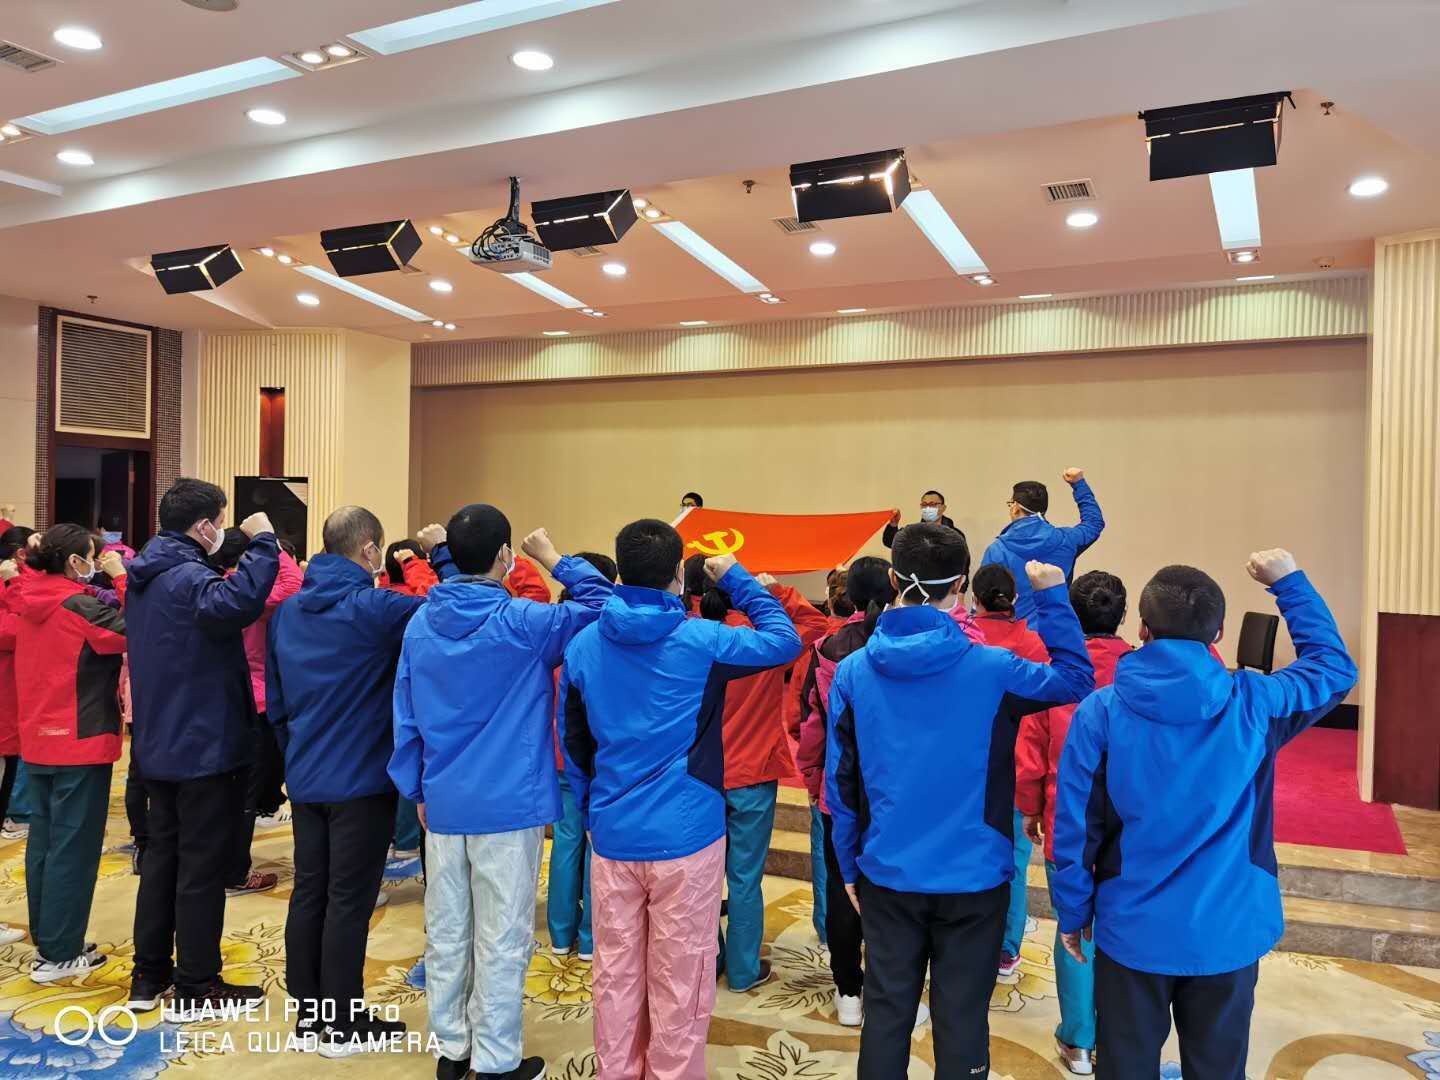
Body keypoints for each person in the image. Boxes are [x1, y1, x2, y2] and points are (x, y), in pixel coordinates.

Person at [1051, 551, 1357, 1079]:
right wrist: (1289, 584)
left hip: (1133, 930)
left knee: (1124, 1067)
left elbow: (1076, 831)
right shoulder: (1256, 703)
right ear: (1218, 633)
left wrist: (1074, 914)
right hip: (1228, 927)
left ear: (1142, 628)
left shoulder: (1099, 712)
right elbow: (1334, 669)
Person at [826, 524, 1092, 1080]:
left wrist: (848, 865)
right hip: (974, 875)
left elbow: (841, 784)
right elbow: (1075, 679)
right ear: (961, 585)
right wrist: (1050, 594)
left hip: (888, 871)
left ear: (893, 579)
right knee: (963, 1016)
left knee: (887, 1012)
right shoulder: (994, 668)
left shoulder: (852, 673)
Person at [560, 521, 801, 1080]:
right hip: (686, 836)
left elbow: (573, 741)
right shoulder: (703, 639)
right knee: (680, 980)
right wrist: (736, 578)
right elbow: (785, 639)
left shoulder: (584, 644)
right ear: (677, 575)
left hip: (614, 833)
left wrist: (593, 810)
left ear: (620, 572)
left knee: (615, 975)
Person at [390, 506, 613, 1080]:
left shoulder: (421, 622)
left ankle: (452, 1051)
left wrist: (416, 787)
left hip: (443, 800)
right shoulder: (525, 621)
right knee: (502, 935)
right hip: (509, 805)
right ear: (506, 557)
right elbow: (605, 605)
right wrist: (555, 559)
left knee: (447, 931)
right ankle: (494, 1061)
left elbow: (405, 715)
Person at [266, 509, 443, 1055]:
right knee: (348, 900)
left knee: (310, 894)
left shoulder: (287, 613)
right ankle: (342, 1024)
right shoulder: (375, 607)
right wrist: (429, 557)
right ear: (369, 550)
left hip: (306, 773)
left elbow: (276, 704)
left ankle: (310, 1016)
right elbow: (444, 606)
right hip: (361, 779)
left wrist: (296, 757)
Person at [124, 478, 279, 1018]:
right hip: (201, 744)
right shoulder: (189, 577)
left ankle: (148, 976)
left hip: (159, 740)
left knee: (161, 861)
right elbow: (241, 602)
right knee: (200, 868)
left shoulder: (145, 574)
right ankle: (197, 984)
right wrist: (264, 542)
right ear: (205, 526)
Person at [683, 554, 829, 991]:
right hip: (753, 774)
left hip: (698, 777)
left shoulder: (684, 636)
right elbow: (817, 625)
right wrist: (771, 591)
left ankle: (707, 961)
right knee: (745, 878)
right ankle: (744, 970)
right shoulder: (762, 638)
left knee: (699, 877)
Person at [1012, 570, 1126, 1076]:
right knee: (1123, 931)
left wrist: (1031, 808)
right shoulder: (1140, 672)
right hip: (1131, 831)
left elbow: (1031, 754)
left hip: (1068, 826)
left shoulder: (1055, 673)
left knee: (1074, 927)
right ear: (1126, 617)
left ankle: (1079, 1040)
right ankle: (1119, 1034)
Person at [7, 526, 126, 980]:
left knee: (45, 842)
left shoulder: (27, 598)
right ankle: (59, 953)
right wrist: (121, 578)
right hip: (79, 737)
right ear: (75, 561)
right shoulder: (78, 606)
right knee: (73, 848)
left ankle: (52, 938)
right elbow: (137, 631)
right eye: (92, 556)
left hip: (38, 737)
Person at [795, 557, 907, 1028]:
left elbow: (811, 725)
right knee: (890, 892)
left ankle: (847, 992)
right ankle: (886, 988)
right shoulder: (901, 645)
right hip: (892, 792)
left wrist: (812, 778)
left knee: (841, 891)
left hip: (837, 789)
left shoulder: (826, 648)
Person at [968, 563, 1049, 980]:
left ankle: (966, 938)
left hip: (967, 768)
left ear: (974, 599)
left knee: (967, 856)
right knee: (1013, 865)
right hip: (1017, 768)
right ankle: (1006, 949)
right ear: (1015, 599)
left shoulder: (966, 640)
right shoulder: (1034, 643)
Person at [213, 527, 303, 897]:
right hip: (259, 700)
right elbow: (294, 585)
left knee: (228, 789)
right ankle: (235, 871)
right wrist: (272, 543)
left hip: (225, 697)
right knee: (246, 792)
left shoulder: (215, 587)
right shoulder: (251, 595)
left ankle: (222, 864)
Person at [547, 550, 618, 963]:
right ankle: (592, 938)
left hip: (557, 755)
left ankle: (560, 934)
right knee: (596, 847)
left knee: (565, 843)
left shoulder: (549, 631)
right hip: (593, 758)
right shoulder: (602, 639)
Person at [981, 468, 1104, 622]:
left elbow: (984, 601)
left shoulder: (996, 550)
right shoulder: (1066, 540)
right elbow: (1094, 523)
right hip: (1057, 629)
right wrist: (1079, 483)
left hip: (1013, 632)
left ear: (1015, 508)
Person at [882, 490, 962, 549]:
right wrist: (894, 524)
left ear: (943, 508)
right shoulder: (913, 533)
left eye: (932, 504)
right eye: (924, 504)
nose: (928, 508)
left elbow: (963, 561)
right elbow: (891, 542)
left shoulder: (955, 535)